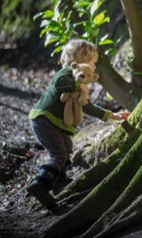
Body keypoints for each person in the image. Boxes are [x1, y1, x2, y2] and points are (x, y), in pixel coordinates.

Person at [26, 39, 125, 209]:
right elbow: (59, 83)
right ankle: (40, 185)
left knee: (67, 148)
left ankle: (59, 181)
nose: (94, 67)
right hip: (44, 119)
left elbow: (87, 106)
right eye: (93, 62)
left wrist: (111, 115)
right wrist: (78, 83)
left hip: (54, 123)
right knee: (59, 155)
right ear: (82, 60)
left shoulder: (79, 86)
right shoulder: (66, 73)